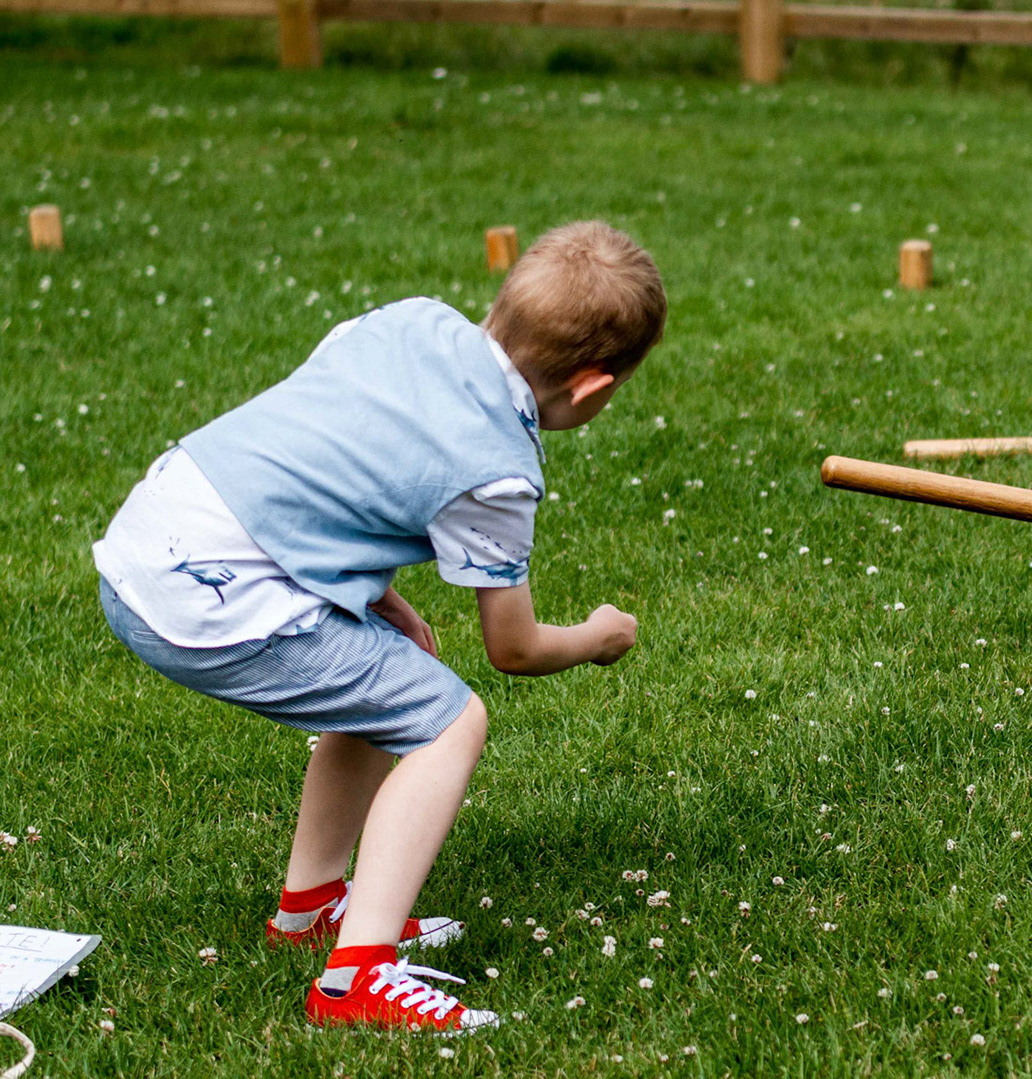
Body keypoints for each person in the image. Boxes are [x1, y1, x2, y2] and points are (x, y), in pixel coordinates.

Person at [93, 221, 665, 1033]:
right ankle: (356, 978)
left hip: (152, 537)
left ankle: (311, 906)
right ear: (593, 388)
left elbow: (333, 439)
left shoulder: (409, 319)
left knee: (392, 675)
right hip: (214, 600)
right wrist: (598, 636)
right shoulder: (497, 468)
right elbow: (514, 647)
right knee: (448, 720)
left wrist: (368, 587)